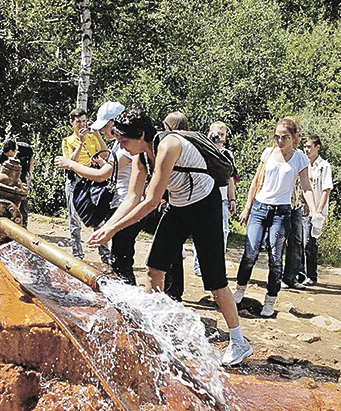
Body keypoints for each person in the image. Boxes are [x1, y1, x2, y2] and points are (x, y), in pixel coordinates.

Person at [87, 106, 253, 367]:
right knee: (155, 268)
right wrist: (108, 225)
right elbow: (132, 197)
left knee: (215, 280)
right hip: (178, 206)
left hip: (204, 205)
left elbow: (151, 201)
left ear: (141, 134)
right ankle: (154, 332)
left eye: (124, 141)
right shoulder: (141, 155)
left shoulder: (168, 145)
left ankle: (238, 341)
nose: (122, 146)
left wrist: (113, 229)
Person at [233, 117, 319, 317]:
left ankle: (270, 301)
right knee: (250, 252)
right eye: (277, 136)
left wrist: (313, 209)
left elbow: (306, 186)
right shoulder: (268, 152)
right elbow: (255, 182)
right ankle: (239, 291)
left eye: (285, 137)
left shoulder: (300, 159)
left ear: (294, 137)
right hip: (259, 209)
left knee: (275, 258)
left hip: (281, 212)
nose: (280, 141)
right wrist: (247, 207)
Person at [55, 101, 143, 284]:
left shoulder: (126, 146)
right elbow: (112, 165)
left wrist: (70, 164)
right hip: (121, 204)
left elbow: (101, 176)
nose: (102, 131)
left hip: (126, 204)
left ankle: (129, 303)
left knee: (122, 262)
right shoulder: (121, 145)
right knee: (120, 260)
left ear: (116, 122)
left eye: (104, 127)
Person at [61, 107, 112, 263]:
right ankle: (77, 254)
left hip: (91, 179)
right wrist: (80, 143)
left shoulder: (92, 137)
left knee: (98, 216)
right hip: (75, 180)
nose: (82, 125)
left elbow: (105, 153)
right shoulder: (67, 141)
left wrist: (96, 132)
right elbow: (70, 162)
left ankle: (105, 254)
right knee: (74, 219)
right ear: (72, 123)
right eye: (78, 122)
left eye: (84, 121)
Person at [192, 121, 237, 277]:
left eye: (222, 134)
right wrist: (209, 142)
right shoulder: (201, 149)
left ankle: (216, 266)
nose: (219, 137)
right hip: (203, 196)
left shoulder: (227, 155)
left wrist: (232, 199)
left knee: (223, 232)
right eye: (216, 133)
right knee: (201, 231)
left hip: (222, 198)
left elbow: (230, 178)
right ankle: (199, 266)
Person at [161, 111, 190, 300]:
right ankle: (175, 291)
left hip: (174, 201)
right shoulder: (191, 145)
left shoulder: (171, 145)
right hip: (191, 202)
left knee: (169, 250)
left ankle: (171, 292)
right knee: (175, 250)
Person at [301, 134, 333, 285]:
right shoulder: (303, 164)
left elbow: (326, 189)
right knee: (298, 241)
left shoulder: (324, 166)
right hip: (301, 208)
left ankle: (311, 275)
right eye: (305, 146)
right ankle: (300, 272)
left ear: (317, 147)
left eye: (309, 146)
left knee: (309, 241)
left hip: (316, 209)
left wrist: (319, 211)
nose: (306, 149)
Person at [281, 118, 307, 290]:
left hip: (296, 203)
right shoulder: (278, 152)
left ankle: (291, 277)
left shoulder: (301, 157)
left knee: (296, 241)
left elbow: (306, 182)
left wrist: (307, 201)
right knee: (277, 240)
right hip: (280, 204)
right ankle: (276, 276)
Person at [0, 138, 34, 228]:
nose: (9, 157)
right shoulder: (1, 155)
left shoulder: (25, 148)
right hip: (9, 176)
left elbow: (32, 156)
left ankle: (24, 224)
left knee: (23, 197)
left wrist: (31, 171)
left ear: (15, 149)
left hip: (23, 173)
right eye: (7, 156)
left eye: (10, 155)